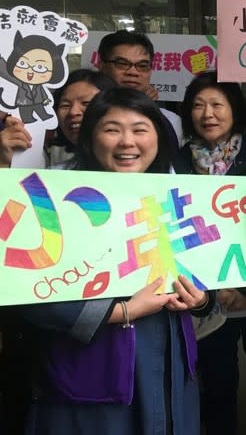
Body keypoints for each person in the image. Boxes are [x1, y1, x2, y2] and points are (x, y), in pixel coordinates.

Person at [22, 87, 212, 435]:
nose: (128, 142)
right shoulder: (54, 201)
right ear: (90, 137)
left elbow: (208, 272)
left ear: (157, 137)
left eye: (140, 129)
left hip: (169, 365)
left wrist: (201, 299)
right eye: (112, 129)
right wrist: (122, 311)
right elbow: (27, 295)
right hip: (93, 372)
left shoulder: (179, 198)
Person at [173, 71, 246, 435]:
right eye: (197, 105)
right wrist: (209, 295)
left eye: (216, 104)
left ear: (235, 110)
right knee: (217, 388)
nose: (207, 113)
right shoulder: (174, 163)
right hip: (205, 301)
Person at [0, 70, 117, 169]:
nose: (73, 112)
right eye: (65, 105)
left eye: (86, 103)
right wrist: (4, 163)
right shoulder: (53, 178)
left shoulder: (132, 169)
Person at [96, 30, 182, 147]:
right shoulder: (82, 117)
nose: (133, 72)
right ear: (101, 66)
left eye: (142, 66)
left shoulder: (171, 122)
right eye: (122, 63)